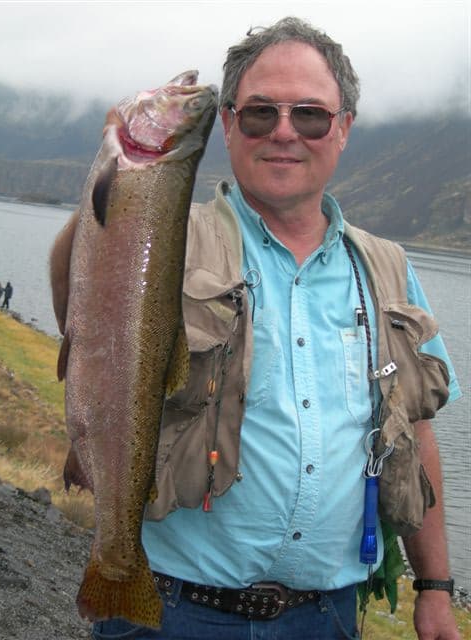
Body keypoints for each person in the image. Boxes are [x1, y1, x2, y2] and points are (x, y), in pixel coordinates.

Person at [50, 17, 461, 640]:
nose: (285, 133)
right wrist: (114, 186)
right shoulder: (168, 238)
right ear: (227, 123)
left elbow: (416, 432)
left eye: (311, 116)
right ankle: (117, 563)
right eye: (260, 113)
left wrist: (434, 588)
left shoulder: (390, 269)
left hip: (327, 617)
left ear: (343, 128)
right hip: (170, 609)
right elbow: (81, 298)